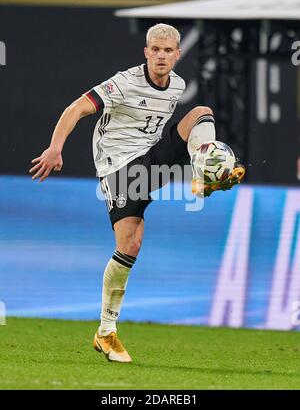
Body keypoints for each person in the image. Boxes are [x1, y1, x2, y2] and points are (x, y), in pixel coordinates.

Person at [30, 23, 244, 363]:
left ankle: (205, 172)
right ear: (146, 52)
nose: (160, 56)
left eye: (167, 50)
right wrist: (56, 148)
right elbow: (76, 109)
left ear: (177, 54)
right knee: (129, 244)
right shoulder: (125, 83)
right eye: (154, 49)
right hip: (118, 169)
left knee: (201, 113)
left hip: (150, 160)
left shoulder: (177, 85)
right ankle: (106, 331)